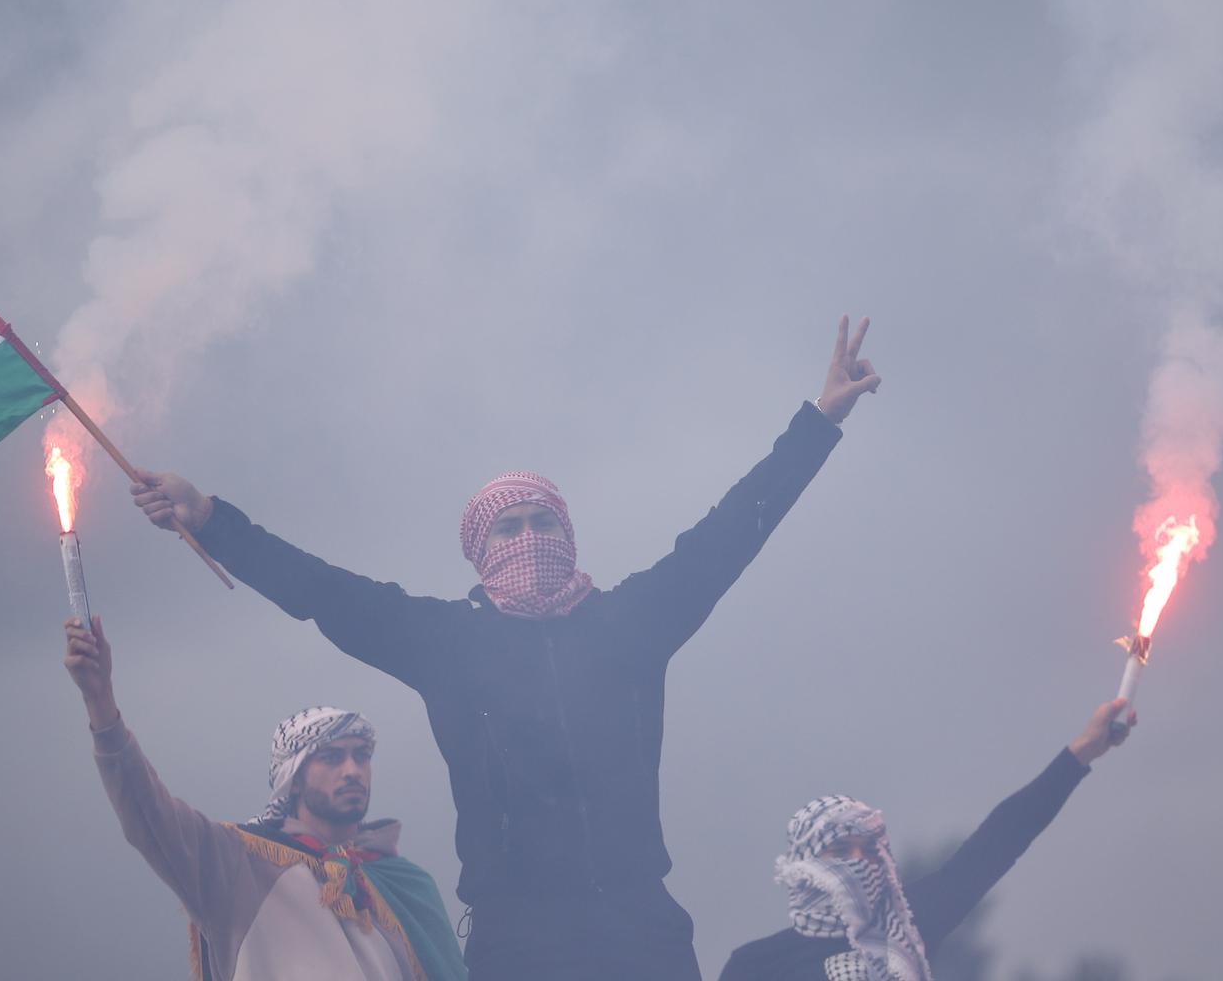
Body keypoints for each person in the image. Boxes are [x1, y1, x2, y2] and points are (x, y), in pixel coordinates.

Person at [132, 316, 882, 981]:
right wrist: (208, 517)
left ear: (568, 535)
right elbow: (322, 592)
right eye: (508, 527)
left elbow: (729, 534)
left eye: (542, 522)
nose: (529, 538)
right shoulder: (445, 642)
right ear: (477, 550)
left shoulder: (630, 622)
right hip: (519, 942)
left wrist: (820, 420)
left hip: (641, 930)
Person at [63, 614, 467, 981]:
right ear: (292, 778)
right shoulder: (238, 864)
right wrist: (100, 703)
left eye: (361, 756)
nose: (351, 770)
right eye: (331, 757)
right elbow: (146, 811)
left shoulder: (406, 884)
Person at [718, 698, 1139, 981]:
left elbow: (995, 845)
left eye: (869, 849)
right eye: (841, 850)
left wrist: (1080, 753)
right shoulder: (754, 966)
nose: (859, 861)